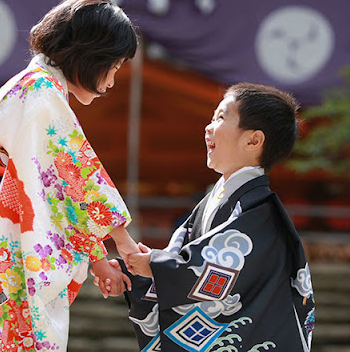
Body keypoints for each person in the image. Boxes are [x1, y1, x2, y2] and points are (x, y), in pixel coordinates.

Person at [0, 0, 140, 352]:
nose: (112, 81)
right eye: (113, 67)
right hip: (4, 234)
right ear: (89, 55)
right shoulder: (40, 93)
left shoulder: (30, 86)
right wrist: (121, 242)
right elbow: (74, 175)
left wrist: (100, 257)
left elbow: (56, 186)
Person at [120, 82, 315, 351]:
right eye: (212, 118)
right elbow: (182, 253)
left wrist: (154, 265)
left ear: (253, 140)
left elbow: (215, 267)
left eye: (221, 117)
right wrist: (141, 268)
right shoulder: (215, 201)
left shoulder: (259, 211)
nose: (208, 127)